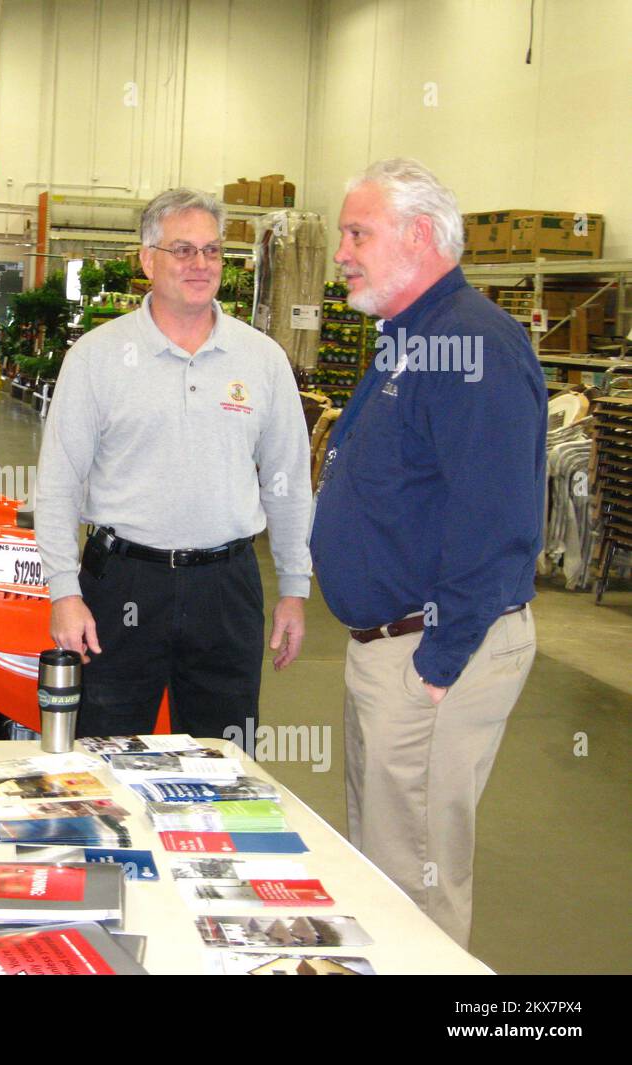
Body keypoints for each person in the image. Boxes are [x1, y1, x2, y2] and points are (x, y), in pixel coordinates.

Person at [310, 158, 546, 948]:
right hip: (393, 648)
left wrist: (438, 661)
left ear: (418, 236)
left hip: (434, 652)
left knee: (414, 885)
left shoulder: (473, 345)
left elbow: (498, 519)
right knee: (383, 866)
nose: (341, 251)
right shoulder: (410, 338)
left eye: (356, 233)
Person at [33, 188, 312, 744]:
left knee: (225, 761)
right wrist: (64, 592)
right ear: (147, 258)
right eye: (182, 250)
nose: (200, 264)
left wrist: (294, 586)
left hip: (227, 587)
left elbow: (288, 481)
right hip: (121, 584)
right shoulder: (97, 356)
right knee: (105, 754)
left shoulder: (262, 359)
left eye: (212, 251)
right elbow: (58, 483)